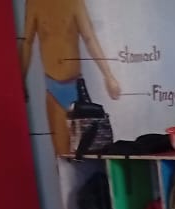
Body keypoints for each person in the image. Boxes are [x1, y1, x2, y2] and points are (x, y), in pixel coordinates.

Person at [19, 0, 122, 158]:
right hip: (53, 89)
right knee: (62, 156)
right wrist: (21, 79)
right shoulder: (34, 3)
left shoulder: (74, 2)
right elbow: (27, 42)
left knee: (84, 154)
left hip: (75, 87)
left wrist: (108, 75)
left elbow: (89, 38)